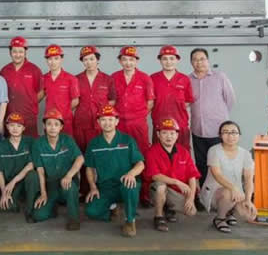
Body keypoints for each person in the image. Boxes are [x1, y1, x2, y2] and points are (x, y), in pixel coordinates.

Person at [84, 105, 143, 238]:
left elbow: (140, 164)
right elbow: (89, 168)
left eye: (110, 119)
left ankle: (130, 221)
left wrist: (131, 174)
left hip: (124, 183)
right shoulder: (94, 144)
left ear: (117, 121)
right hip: (106, 187)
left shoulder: (127, 140)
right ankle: (113, 208)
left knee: (130, 186)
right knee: (91, 212)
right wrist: (93, 187)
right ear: (98, 122)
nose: (107, 123)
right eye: (103, 119)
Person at [111, 45, 154, 205]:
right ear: (120, 61)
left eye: (131, 59)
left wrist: (138, 116)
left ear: (136, 61)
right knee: (119, 155)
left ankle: (144, 194)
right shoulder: (114, 78)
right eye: (125, 59)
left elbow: (150, 103)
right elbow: (111, 101)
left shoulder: (145, 78)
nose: (128, 63)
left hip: (138, 124)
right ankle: (121, 191)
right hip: (119, 124)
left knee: (141, 155)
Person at [189, 48, 236, 185]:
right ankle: (205, 192)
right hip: (198, 129)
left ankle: (223, 191)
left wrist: (218, 115)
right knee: (201, 163)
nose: (199, 62)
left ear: (208, 60)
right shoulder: (188, 79)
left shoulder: (220, 77)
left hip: (218, 130)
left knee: (220, 163)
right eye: (195, 60)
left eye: (202, 59)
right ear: (191, 62)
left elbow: (230, 99)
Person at [31, 109, 84, 230]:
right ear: (44, 126)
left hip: (67, 182)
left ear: (61, 127)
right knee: (38, 215)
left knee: (70, 187)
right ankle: (52, 207)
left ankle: (73, 219)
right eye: (49, 124)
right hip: (51, 186)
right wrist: (43, 193)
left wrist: (69, 175)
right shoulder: (38, 144)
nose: (52, 128)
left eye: (56, 124)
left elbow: (80, 158)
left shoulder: (67, 140)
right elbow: (40, 170)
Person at [200, 121, 257, 233]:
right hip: (215, 192)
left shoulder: (245, 154)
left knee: (249, 215)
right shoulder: (214, 150)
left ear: (239, 135)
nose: (230, 136)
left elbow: (248, 179)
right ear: (220, 135)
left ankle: (229, 212)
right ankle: (220, 218)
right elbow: (217, 175)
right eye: (225, 132)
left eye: (234, 132)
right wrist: (233, 188)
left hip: (236, 193)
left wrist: (248, 200)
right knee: (229, 193)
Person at [145, 118, 200, 232]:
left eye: (172, 133)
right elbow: (155, 176)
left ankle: (169, 208)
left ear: (177, 135)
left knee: (191, 212)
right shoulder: (152, 152)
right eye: (164, 133)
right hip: (158, 188)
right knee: (160, 186)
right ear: (158, 134)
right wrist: (177, 182)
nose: (168, 136)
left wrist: (191, 198)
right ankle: (159, 216)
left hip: (176, 191)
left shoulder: (183, 152)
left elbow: (192, 176)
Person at [75, 45, 115, 195]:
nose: (89, 62)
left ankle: (104, 189)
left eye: (91, 59)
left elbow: (112, 100)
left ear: (97, 60)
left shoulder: (108, 79)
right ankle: (85, 190)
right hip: (81, 124)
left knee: (103, 156)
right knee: (84, 155)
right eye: (85, 59)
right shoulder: (76, 79)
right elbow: (74, 100)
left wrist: (103, 114)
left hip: (101, 125)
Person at [0, 112, 38, 222]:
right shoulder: (1, 146)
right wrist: (4, 192)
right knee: (7, 206)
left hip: (26, 181)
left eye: (19, 126)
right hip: (12, 185)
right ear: (7, 127)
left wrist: (13, 181)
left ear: (23, 128)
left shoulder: (30, 142)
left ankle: (30, 209)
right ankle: (18, 200)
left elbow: (31, 165)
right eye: (12, 125)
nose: (15, 129)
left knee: (32, 175)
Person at [150, 46, 194, 153]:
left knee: (182, 154)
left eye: (172, 58)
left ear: (177, 60)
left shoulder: (184, 79)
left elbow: (188, 101)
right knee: (159, 154)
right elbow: (150, 101)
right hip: (160, 125)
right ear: (160, 60)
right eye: (165, 59)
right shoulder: (152, 78)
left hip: (180, 126)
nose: (168, 62)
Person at [0, 37, 44, 137]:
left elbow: (41, 91)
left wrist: (31, 102)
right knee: (11, 144)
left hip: (28, 118)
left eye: (20, 51)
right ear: (10, 52)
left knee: (30, 143)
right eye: (14, 51)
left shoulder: (34, 70)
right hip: (10, 118)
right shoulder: (4, 71)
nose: (17, 55)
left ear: (25, 52)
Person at [42, 45, 80, 136]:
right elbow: (40, 96)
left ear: (61, 59)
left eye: (56, 58)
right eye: (50, 59)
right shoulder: (43, 78)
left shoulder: (71, 79)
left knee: (66, 143)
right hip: (49, 121)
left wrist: (64, 111)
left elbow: (75, 101)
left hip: (65, 121)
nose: (53, 62)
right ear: (46, 60)